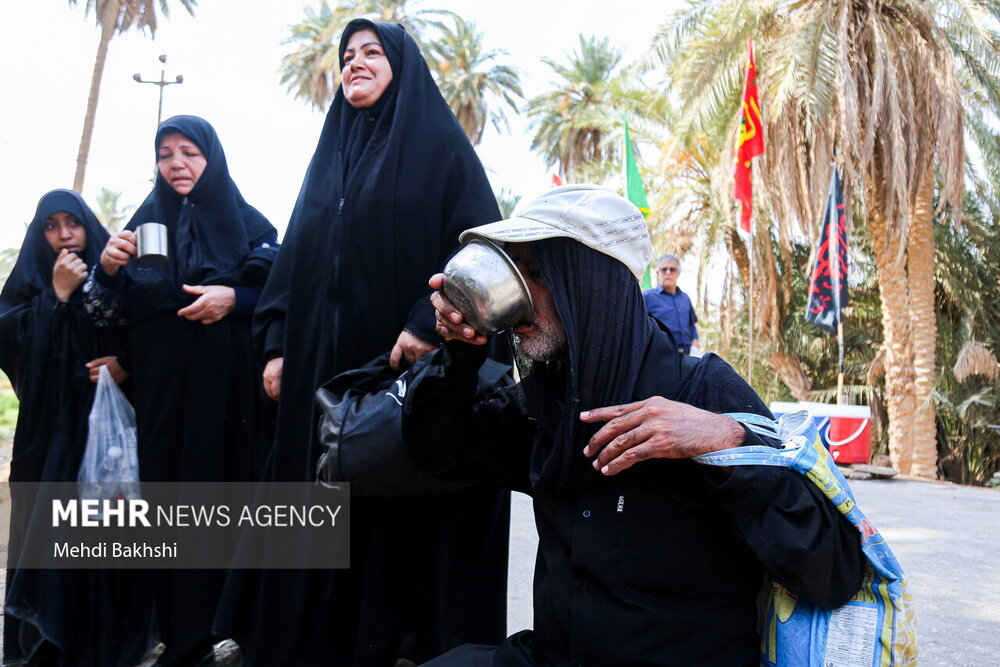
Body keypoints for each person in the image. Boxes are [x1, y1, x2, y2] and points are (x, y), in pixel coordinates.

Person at [403, 184, 867, 666]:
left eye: (538, 275)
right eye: (515, 274)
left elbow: (833, 572)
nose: (518, 299)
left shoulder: (702, 393)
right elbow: (438, 448)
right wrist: (460, 351)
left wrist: (729, 444)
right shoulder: (546, 401)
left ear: (592, 286)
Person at [216, 19, 510, 666]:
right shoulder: (329, 161)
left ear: (402, 66)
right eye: (348, 55)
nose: (356, 62)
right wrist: (273, 344)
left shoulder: (442, 151)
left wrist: (423, 319)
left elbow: (482, 250)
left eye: (372, 52)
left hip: (405, 377)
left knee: (399, 520)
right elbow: (294, 262)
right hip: (324, 383)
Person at [85, 115, 278, 666]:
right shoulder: (144, 225)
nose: (177, 164)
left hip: (232, 397)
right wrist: (106, 269)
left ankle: (240, 630)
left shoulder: (249, 224)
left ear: (211, 158)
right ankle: (185, 635)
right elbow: (108, 311)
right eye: (165, 154)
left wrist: (232, 299)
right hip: (165, 396)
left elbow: (282, 289)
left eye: (189, 152)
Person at [1, 190, 157, 666]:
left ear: (90, 226)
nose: (65, 234)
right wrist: (57, 295)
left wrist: (125, 364)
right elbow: (14, 344)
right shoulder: (30, 285)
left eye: (74, 223)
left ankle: (107, 643)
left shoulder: (121, 276)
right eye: (52, 225)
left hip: (106, 437)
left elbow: (150, 333)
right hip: (49, 438)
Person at [643, 253, 700, 354]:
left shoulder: (685, 298)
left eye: (672, 269)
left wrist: (695, 346)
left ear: (678, 273)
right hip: (660, 356)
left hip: (687, 357)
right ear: (658, 273)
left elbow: (692, 325)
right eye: (664, 269)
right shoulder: (647, 296)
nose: (668, 272)